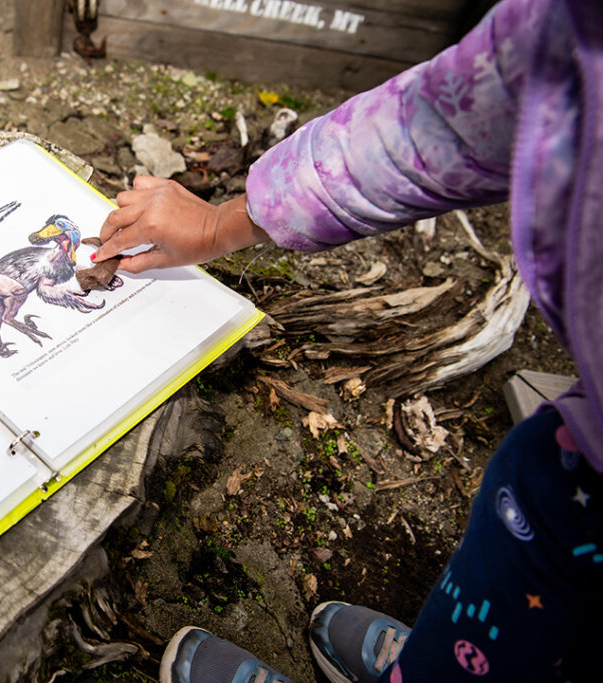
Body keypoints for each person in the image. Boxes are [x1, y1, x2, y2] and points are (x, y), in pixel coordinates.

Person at [91, 0, 603, 680]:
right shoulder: (571, 33)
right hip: (567, 490)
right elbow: (449, 114)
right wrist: (224, 223)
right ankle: (440, 654)